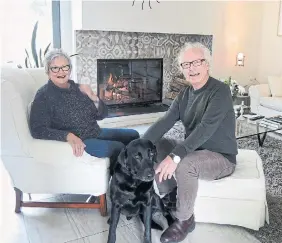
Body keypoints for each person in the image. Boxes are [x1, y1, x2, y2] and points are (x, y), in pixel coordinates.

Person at [142, 42, 237, 243]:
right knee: (158, 145)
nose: (191, 68)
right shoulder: (185, 94)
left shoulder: (220, 91)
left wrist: (175, 156)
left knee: (184, 162)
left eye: (196, 62)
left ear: (207, 65)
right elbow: (165, 121)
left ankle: (185, 220)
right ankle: (171, 199)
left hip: (220, 157)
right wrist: (140, 145)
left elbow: (205, 129)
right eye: (186, 65)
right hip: (196, 150)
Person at [29, 48, 139, 173]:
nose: (61, 71)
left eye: (65, 67)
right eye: (55, 68)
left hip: (95, 132)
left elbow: (102, 115)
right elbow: (37, 129)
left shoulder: (78, 88)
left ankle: (138, 170)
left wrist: (93, 96)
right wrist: (68, 136)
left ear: (70, 69)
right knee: (118, 148)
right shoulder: (43, 95)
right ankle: (124, 183)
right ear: (47, 71)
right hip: (82, 141)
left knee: (133, 135)